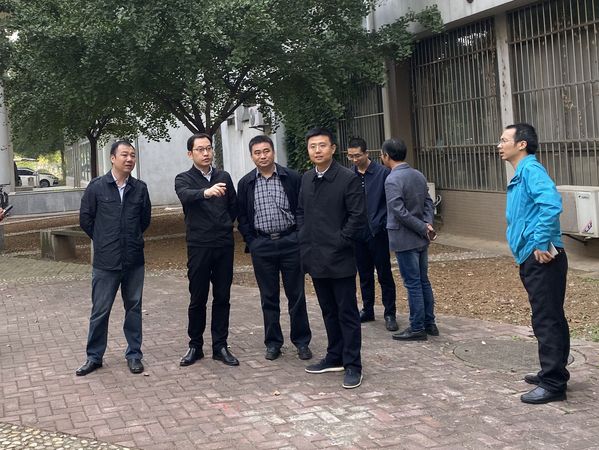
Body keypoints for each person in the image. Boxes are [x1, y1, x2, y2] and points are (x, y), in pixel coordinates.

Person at [499, 123, 569, 404]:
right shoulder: (522, 173)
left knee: (546, 318)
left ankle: (553, 384)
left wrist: (540, 242)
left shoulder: (530, 170)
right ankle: (554, 372)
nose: (499, 145)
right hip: (532, 254)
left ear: (522, 144)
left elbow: (551, 203)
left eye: (504, 140)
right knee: (551, 315)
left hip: (542, 256)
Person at [297, 127, 368, 389]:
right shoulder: (306, 178)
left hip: (340, 258)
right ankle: (335, 356)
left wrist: (339, 241)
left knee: (346, 312)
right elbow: (300, 212)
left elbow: (358, 217)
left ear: (333, 148)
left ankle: (353, 364)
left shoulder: (347, 178)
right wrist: (304, 237)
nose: (317, 150)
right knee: (328, 311)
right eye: (312, 146)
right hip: (315, 257)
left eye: (322, 145)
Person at [76, 140, 151, 376]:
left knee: (134, 309)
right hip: (106, 262)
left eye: (133, 155)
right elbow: (86, 219)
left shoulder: (140, 188)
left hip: (133, 260)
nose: (129, 159)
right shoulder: (97, 187)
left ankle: (134, 354)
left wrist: (131, 239)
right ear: (112, 158)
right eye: (124, 155)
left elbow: (144, 220)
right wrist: (102, 240)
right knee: (100, 310)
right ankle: (94, 357)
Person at [237, 135, 312, 361]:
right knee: (268, 297)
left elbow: (302, 208)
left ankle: (301, 342)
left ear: (273, 152)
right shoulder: (246, 183)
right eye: (257, 153)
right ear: (252, 156)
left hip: (291, 243)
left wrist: (299, 236)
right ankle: (273, 343)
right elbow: (242, 216)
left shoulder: (292, 177)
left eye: (266, 151)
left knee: (296, 295)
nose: (263, 156)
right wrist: (252, 241)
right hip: (262, 245)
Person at [175, 133, 240, 367]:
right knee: (198, 297)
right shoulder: (183, 178)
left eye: (209, 148)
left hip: (223, 244)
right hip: (199, 246)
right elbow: (185, 196)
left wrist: (223, 224)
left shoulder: (224, 176)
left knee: (222, 296)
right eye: (200, 149)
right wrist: (206, 192)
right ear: (190, 153)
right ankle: (195, 345)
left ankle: (220, 346)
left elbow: (233, 206)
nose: (206, 153)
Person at [381, 138, 439, 342]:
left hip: (405, 237)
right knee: (423, 280)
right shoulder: (418, 174)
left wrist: (422, 227)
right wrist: (427, 224)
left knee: (413, 283)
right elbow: (428, 202)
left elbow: (398, 211)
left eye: (382, 155)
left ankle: (417, 327)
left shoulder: (392, 179)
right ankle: (430, 323)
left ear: (387, 156)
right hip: (421, 237)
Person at [347, 137, 398, 331]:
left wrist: (384, 223)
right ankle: (367, 309)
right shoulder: (349, 175)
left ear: (367, 153)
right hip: (358, 233)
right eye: (351, 156)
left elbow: (391, 202)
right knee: (364, 274)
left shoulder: (383, 173)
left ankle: (390, 313)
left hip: (378, 232)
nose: (355, 159)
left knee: (384, 274)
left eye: (358, 155)